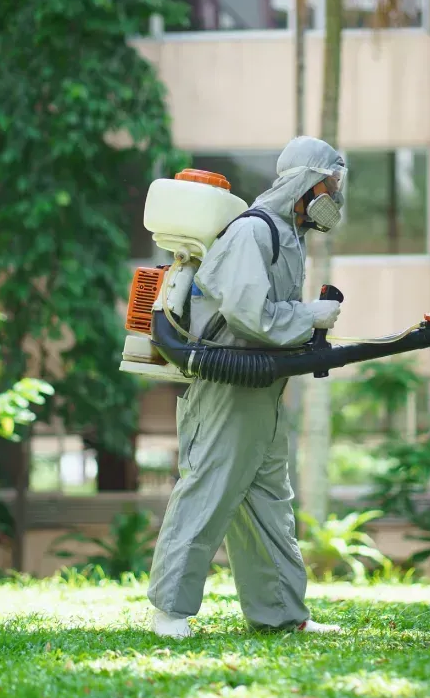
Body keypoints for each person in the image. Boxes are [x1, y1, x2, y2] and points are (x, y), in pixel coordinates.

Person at [147, 136, 348, 638]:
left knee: (268, 504)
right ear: (307, 180)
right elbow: (248, 312)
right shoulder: (254, 232)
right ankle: (168, 612)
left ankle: (280, 614)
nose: (336, 196)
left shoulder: (287, 236)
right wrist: (311, 316)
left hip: (262, 390)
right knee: (208, 491)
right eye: (332, 183)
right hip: (228, 386)